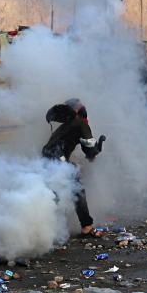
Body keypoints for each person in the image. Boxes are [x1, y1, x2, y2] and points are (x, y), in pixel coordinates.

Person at [42, 99, 106, 236]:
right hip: (57, 159)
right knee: (77, 189)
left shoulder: (68, 125)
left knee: (55, 192)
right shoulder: (81, 124)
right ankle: (86, 226)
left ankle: (45, 227)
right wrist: (94, 153)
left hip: (47, 158)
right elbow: (89, 149)